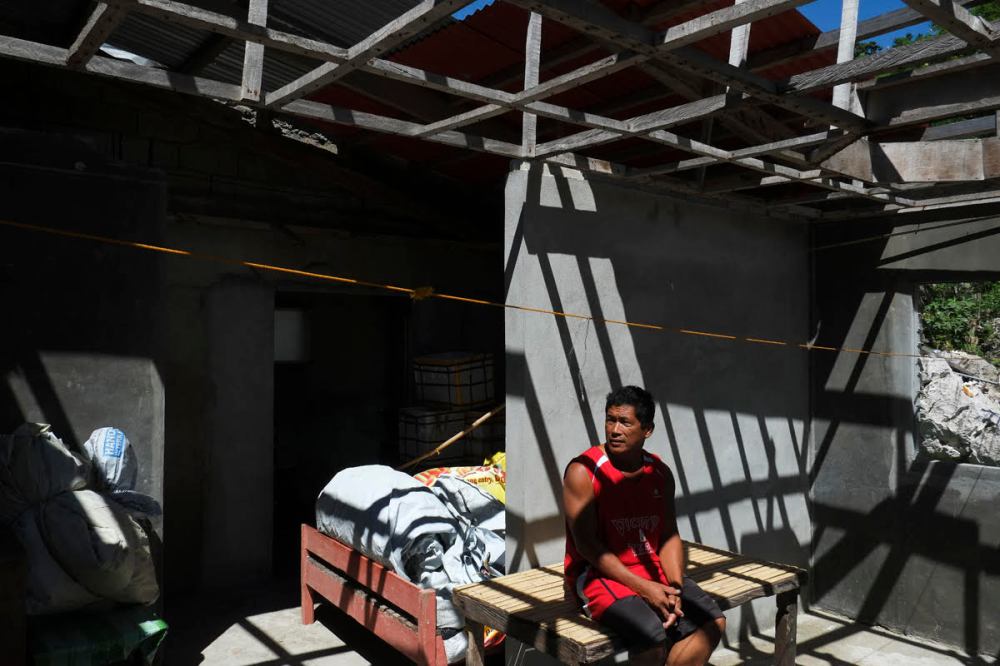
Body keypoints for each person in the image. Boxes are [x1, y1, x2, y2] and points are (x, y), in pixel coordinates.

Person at [563, 386, 726, 665]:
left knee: (713, 622)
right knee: (651, 637)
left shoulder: (660, 473)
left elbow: (668, 535)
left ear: (647, 430)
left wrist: (674, 588)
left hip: (653, 572)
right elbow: (588, 546)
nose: (614, 430)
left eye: (625, 422)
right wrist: (644, 588)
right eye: (610, 420)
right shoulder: (584, 471)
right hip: (599, 576)